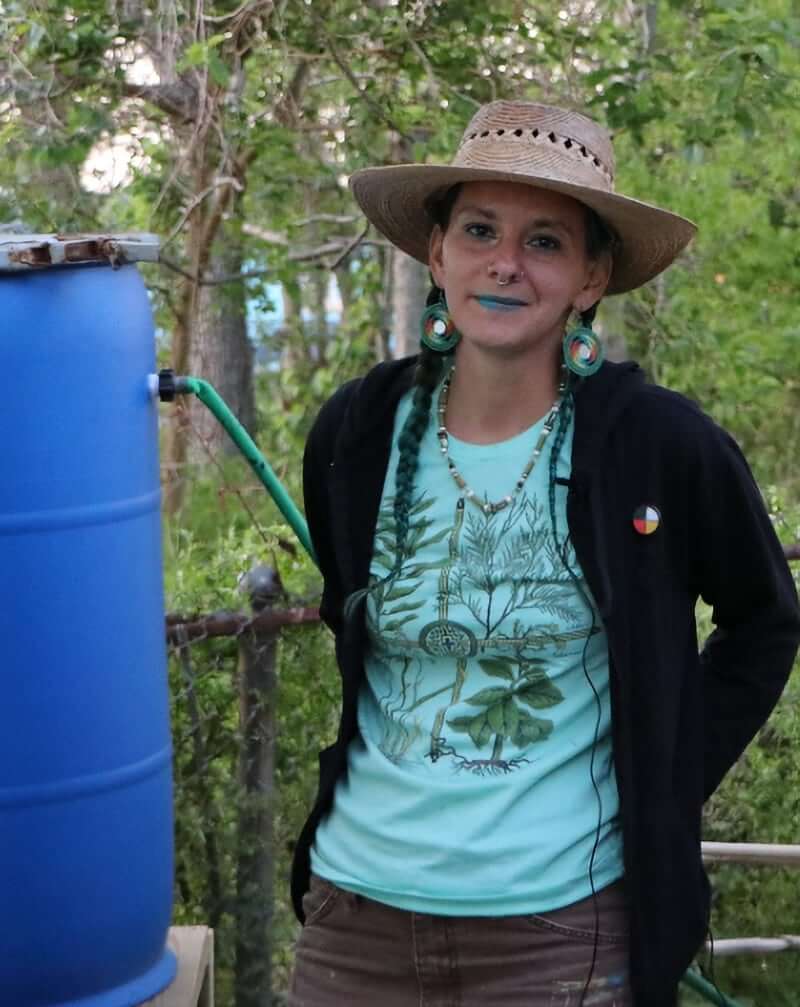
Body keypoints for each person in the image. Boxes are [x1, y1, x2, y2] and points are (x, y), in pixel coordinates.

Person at [287, 101, 800, 1007]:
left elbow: (764, 620)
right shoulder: (357, 434)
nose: (505, 264)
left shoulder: (660, 446)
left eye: (546, 242)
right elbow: (349, 608)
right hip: (353, 923)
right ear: (436, 251)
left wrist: (666, 773)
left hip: (562, 932)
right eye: (480, 229)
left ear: (593, 276)